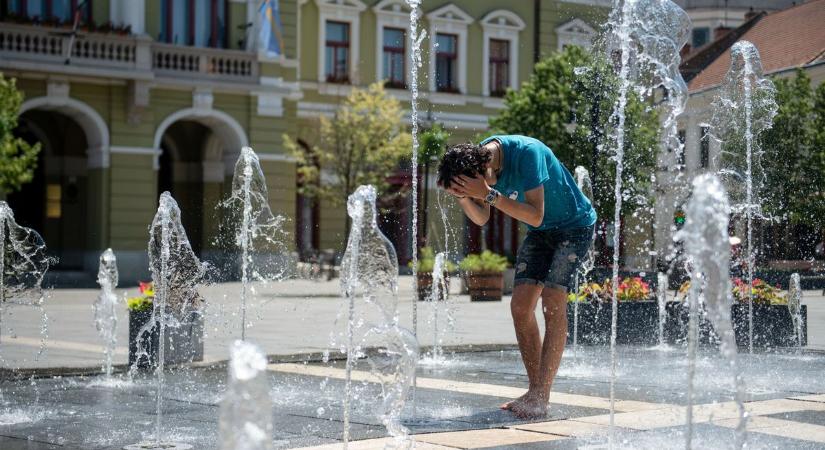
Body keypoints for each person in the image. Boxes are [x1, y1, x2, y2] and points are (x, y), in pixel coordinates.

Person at [437, 135, 596, 418]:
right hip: (541, 233)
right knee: (520, 307)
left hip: (575, 226)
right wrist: (464, 197)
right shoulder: (479, 164)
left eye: (471, 185)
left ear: (484, 168)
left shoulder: (528, 154)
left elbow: (535, 215)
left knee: (552, 302)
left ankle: (540, 396)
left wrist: (486, 192)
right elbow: (482, 218)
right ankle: (535, 391)